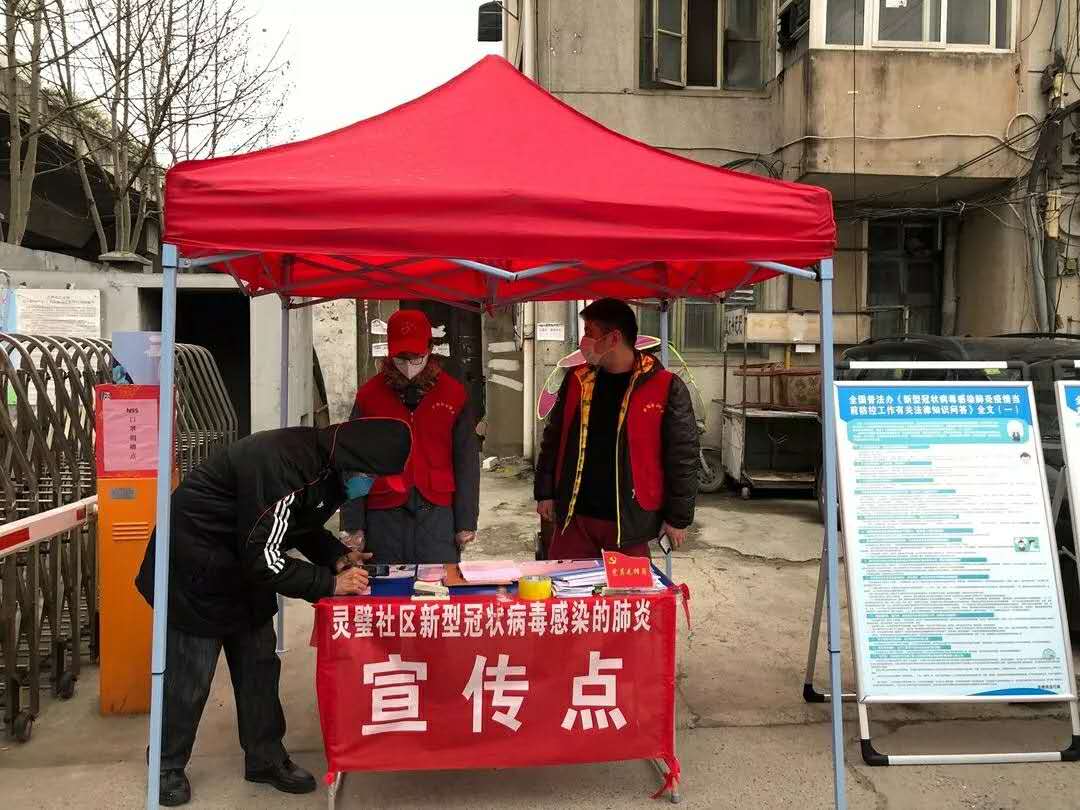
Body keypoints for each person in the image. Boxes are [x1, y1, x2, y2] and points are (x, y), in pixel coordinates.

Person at [135, 417, 411, 806]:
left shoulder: (325, 468)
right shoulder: (285, 467)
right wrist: (329, 584)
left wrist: (336, 556)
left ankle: (265, 758)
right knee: (190, 677)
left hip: (242, 565)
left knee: (259, 667)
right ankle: (166, 764)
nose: (371, 485)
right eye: (371, 477)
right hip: (195, 568)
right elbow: (264, 558)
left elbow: (299, 524)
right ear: (353, 461)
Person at [535, 298, 699, 559]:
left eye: (590, 332)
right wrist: (545, 493)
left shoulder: (665, 386)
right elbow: (553, 438)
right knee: (564, 583)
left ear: (613, 338)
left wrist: (677, 518)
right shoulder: (577, 380)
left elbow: (683, 456)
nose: (584, 341)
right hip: (575, 516)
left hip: (629, 521)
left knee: (630, 586)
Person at [342, 309, 480, 564]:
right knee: (385, 585)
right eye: (401, 357)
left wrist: (466, 520)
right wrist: (352, 524)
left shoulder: (453, 394)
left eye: (416, 356)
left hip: (438, 511)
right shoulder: (369, 396)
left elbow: (466, 460)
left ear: (430, 349)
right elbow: (353, 461)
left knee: (439, 582)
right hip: (383, 513)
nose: (408, 364)